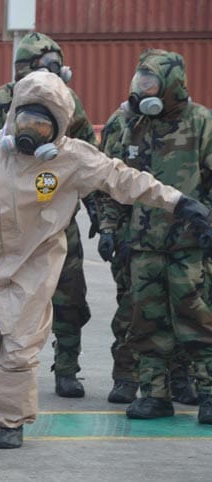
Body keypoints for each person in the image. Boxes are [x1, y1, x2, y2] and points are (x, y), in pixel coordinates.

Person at [0, 70, 212, 449]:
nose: (31, 131)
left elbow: (125, 180)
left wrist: (179, 203)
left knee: (18, 345)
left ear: (57, 128)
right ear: (13, 115)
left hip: (34, 264)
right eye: (26, 120)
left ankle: (9, 421)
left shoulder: (72, 158)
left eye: (42, 124)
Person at [0, 32, 97, 398]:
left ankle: (67, 368)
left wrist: (103, 221)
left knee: (68, 296)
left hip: (56, 216)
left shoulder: (68, 103)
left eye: (57, 66)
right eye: (45, 66)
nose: (53, 73)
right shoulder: (0, 102)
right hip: (9, 223)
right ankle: (2, 372)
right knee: (3, 304)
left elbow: (89, 158)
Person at [94, 49, 212, 420]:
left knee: (198, 319)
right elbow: (115, 183)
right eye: (140, 81)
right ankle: (154, 393)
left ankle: (208, 391)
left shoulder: (201, 123)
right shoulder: (133, 124)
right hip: (143, 245)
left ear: (172, 85)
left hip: (189, 246)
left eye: (151, 82)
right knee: (147, 321)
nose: (143, 90)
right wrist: (110, 229)